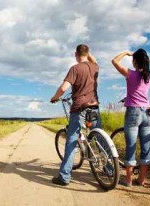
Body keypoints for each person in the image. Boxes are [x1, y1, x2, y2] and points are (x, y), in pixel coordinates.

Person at [50, 44, 101, 186]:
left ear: (75, 54)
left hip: (79, 107)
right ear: (88, 53)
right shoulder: (95, 67)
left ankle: (64, 177)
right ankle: (109, 169)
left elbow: (63, 88)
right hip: (95, 106)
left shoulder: (75, 68)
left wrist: (54, 97)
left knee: (71, 141)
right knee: (100, 138)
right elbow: (94, 60)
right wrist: (89, 54)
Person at [111, 49, 150, 187]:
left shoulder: (131, 74)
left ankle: (128, 180)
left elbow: (114, 61)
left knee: (131, 147)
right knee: (146, 147)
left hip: (133, 113)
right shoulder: (149, 76)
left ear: (135, 61)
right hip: (147, 112)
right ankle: (141, 179)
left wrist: (125, 52)